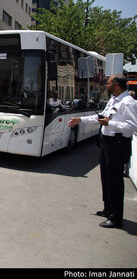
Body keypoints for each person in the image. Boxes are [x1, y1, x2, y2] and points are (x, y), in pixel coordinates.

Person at [68, 74, 137, 228]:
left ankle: (116, 217)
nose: (106, 85)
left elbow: (132, 126)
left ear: (117, 85)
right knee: (106, 178)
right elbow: (101, 118)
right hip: (107, 143)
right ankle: (108, 209)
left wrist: (111, 123)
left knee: (115, 181)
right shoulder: (114, 100)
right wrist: (80, 120)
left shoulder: (128, 102)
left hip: (117, 144)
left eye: (109, 83)